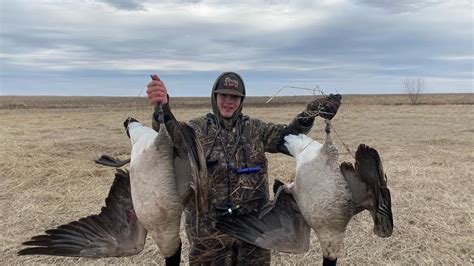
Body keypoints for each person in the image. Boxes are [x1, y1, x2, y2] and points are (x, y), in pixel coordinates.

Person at [146, 72, 341, 265]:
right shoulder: (197, 129)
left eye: (235, 97)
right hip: (208, 236)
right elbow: (172, 135)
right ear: (215, 97)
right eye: (224, 95)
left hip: (254, 232)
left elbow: (287, 136)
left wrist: (310, 113)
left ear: (242, 100)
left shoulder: (255, 129)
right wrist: (162, 109)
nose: (229, 102)